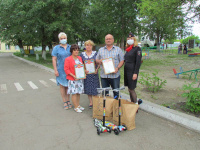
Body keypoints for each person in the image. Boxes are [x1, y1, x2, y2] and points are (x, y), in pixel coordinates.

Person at [96, 34, 124, 99]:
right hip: (104, 76)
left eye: (110, 39)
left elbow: (122, 60)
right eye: (107, 39)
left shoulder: (118, 49)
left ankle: (116, 107)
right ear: (105, 40)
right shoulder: (101, 50)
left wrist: (117, 68)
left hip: (115, 75)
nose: (108, 40)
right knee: (105, 94)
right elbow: (96, 60)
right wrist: (99, 61)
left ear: (113, 40)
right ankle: (107, 107)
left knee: (116, 92)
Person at [52, 32, 72, 110]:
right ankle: (64, 101)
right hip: (60, 69)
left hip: (69, 70)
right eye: (61, 38)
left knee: (68, 86)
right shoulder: (56, 48)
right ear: (59, 39)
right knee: (62, 86)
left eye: (64, 38)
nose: (63, 39)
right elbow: (54, 59)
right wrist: (55, 70)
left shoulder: (70, 47)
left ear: (66, 38)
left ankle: (68, 100)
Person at [64, 44, 85, 113]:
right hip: (73, 79)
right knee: (74, 93)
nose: (76, 51)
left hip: (79, 79)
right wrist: (73, 76)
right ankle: (75, 107)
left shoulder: (79, 58)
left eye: (77, 50)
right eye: (75, 50)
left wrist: (84, 73)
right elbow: (66, 69)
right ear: (72, 51)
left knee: (78, 92)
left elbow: (81, 67)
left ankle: (78, 105)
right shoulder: (68, 59)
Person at [80, 40, 100, 108]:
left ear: (92, 46)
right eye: (87, 45)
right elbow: (80, 64)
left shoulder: (95, 53)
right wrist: (84, 70)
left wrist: (97, 70)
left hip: (94, 74)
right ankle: (91, 103)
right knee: (88, 88)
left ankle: (95, 102)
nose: (89, 46)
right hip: (87, 74)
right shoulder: (82, 54)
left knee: (94, 88)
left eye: (90, 45)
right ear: (85, 46)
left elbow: (98, 63)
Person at [124, 32, 142, 104]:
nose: (129, 39)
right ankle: (132, 103)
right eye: (128, 38)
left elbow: (138, 62)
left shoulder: (137, 49)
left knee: (132, 89)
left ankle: (135, 104)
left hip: (132, 71)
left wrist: (135, 73)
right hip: (127, 70)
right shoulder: (128, 49)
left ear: (134, 39)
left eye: (131, 38)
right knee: (129, 89)